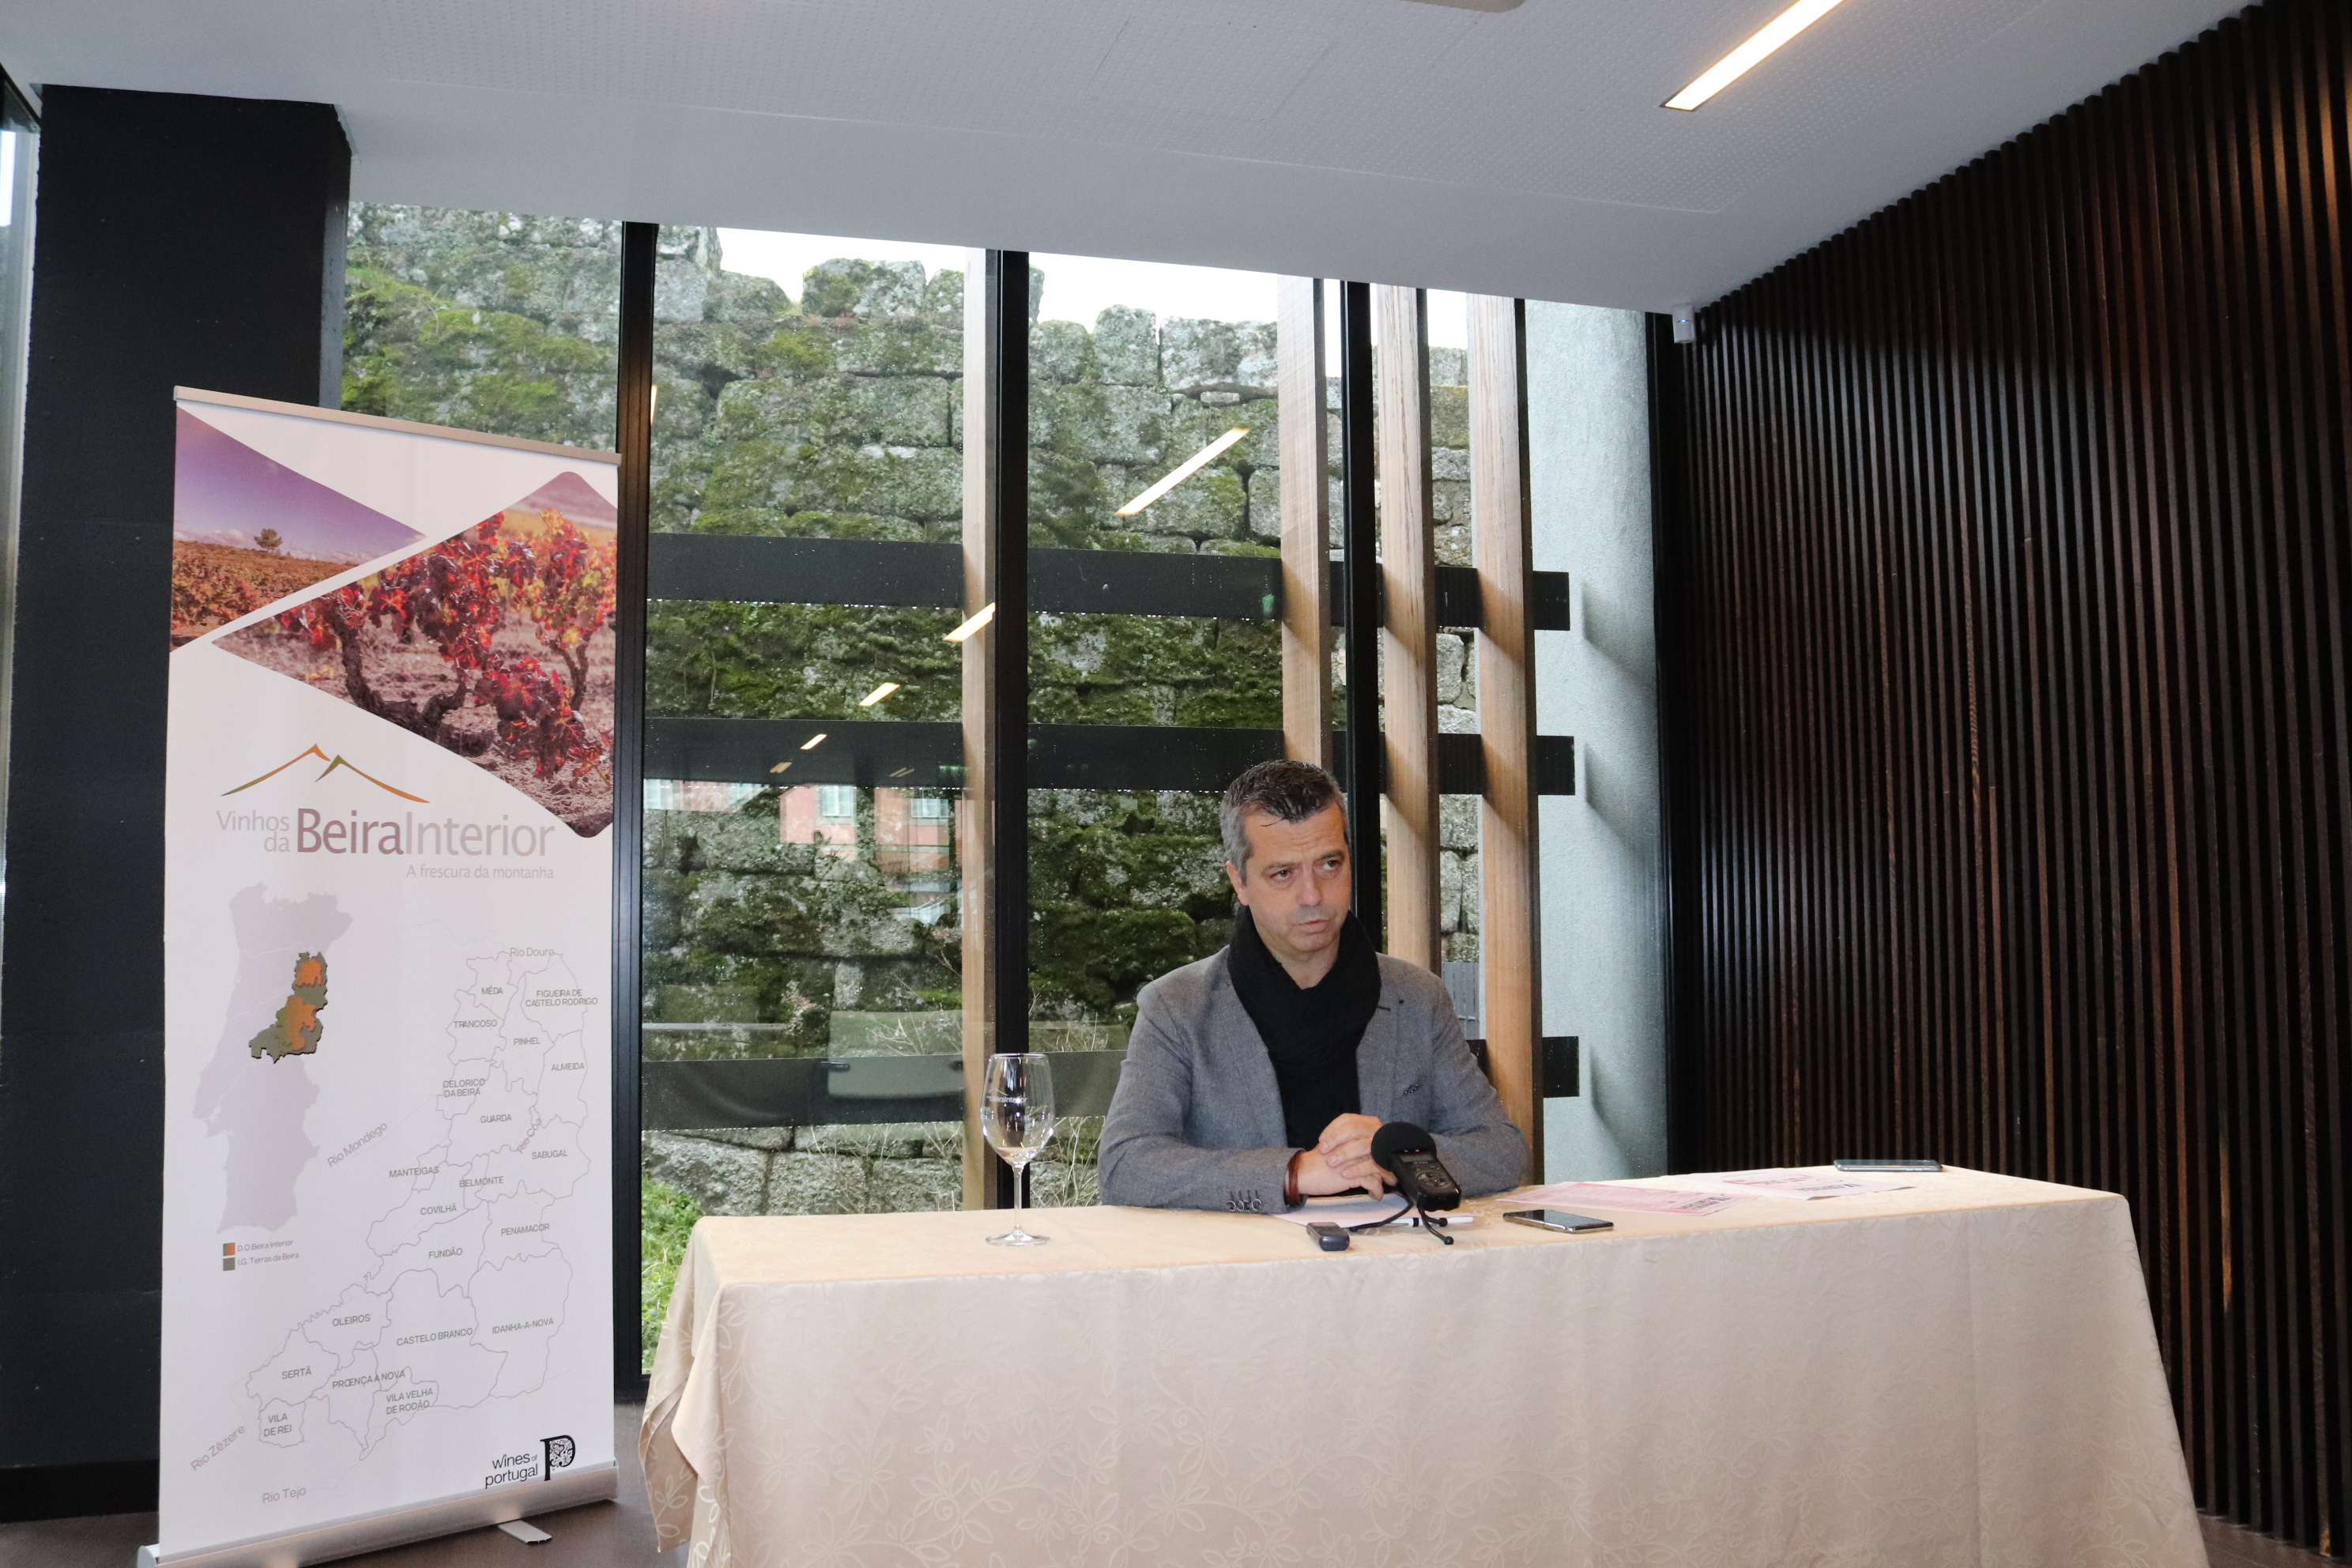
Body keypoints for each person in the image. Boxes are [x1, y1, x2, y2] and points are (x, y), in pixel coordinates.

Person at [1097, 759, 1526, 1212]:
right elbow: (1126, 1166)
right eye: (1283, 873)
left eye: (1329, 864)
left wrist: (1397, 1153)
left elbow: (1500, 1150)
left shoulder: (1417, 997)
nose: (1312, 896)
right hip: (1249, 1257)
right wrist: (1295, 1173)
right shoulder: (1176, 1006)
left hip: (1394, 1254)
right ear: (1239, 882)